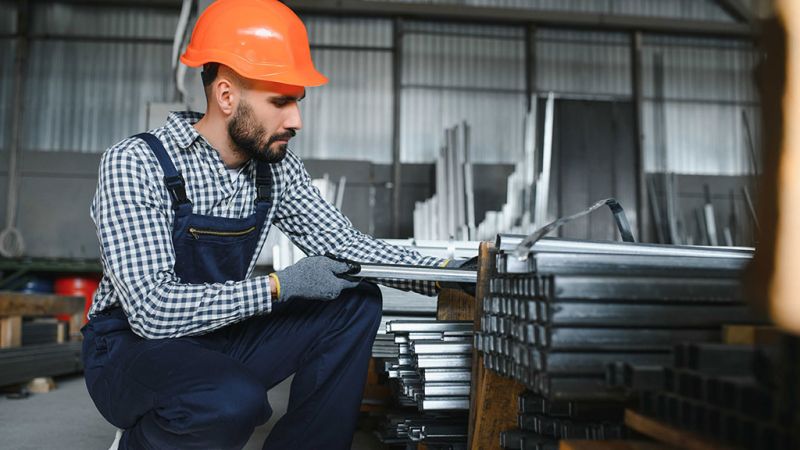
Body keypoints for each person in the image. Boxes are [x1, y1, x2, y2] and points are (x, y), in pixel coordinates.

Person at [82, 1, 446, 448]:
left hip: (217, 335)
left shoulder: (275, 169)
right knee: (233, 401)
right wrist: (278, 287)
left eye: (297, 101)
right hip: (131, 349)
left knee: (355, 300)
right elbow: (153, 312)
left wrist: (448, 276)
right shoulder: (137, 162)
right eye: (280, 102)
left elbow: (348, 246)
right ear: (226, 95)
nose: (296, 120)